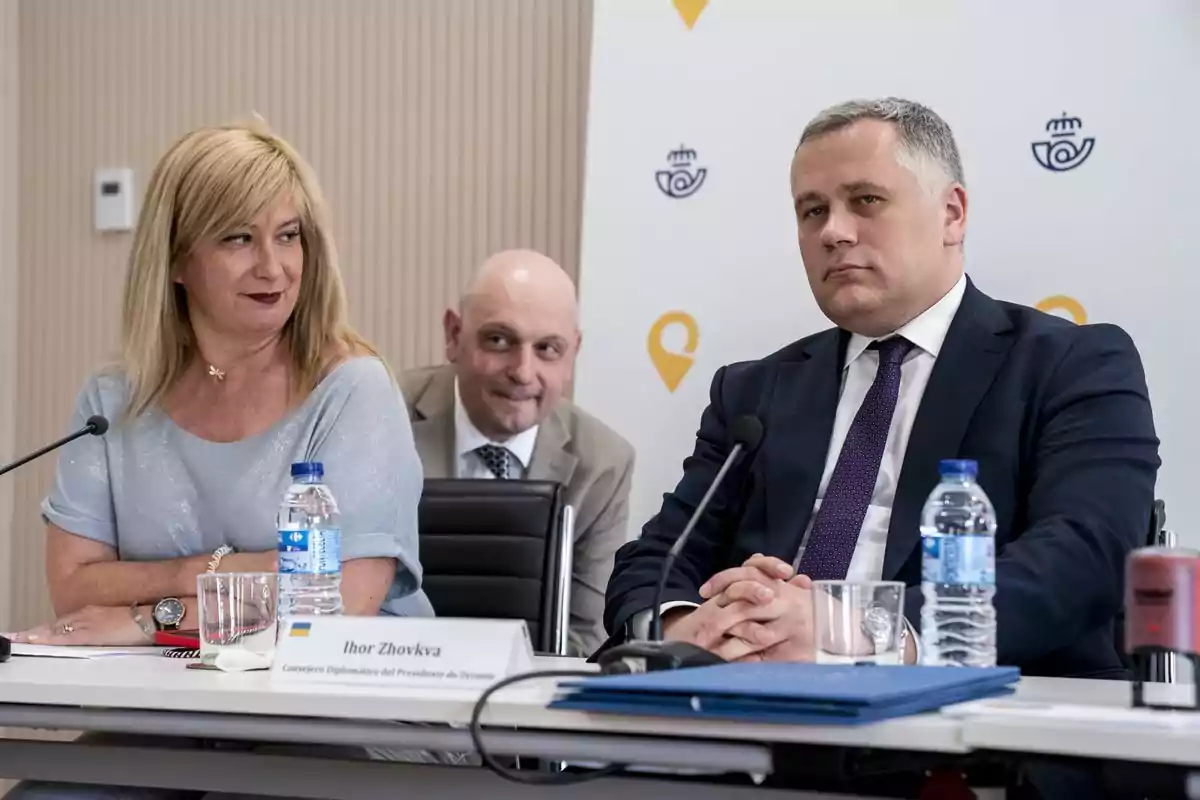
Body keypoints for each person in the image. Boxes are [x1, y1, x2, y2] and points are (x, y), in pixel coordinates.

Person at [603, 97, 1160, 680]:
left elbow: (1086, 556)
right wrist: (685, 627)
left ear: (952, 214)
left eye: (865, 201)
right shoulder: (751, 394)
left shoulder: (1073, 363)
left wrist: (858, 631)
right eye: (812, 211)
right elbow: (656, 560)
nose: (834, 232)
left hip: (975, 730)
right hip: (749, 714)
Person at [8, 118, 425, 799]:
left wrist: (149, 616)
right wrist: (227, 570)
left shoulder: (351, 387)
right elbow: (74, 593)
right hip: (174, 713)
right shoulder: (114, 398)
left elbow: (335, 604)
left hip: (342, 717)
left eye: (289, 236)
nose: (274, 266)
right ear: (176, 260)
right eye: (239, 237)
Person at [397, 249, 635, 657]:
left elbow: (582, 633)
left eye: (547, 349)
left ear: (572, 355)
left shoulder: (603, 463)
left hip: (522, 700)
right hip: (390, 683)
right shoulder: (383, 417)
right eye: (499, 340)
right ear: (454, 336)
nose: (523, 372)